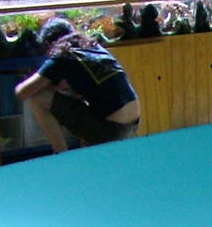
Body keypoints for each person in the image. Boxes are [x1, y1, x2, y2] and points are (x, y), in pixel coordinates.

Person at [14, 17, 141, 152]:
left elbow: (21, 93)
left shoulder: (62, 56)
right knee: (74, 98)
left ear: (47, 44)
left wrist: (45, 82)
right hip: (133, 123)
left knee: (38, 98)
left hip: (111, 129)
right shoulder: (94, 47)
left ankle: (61, 154)